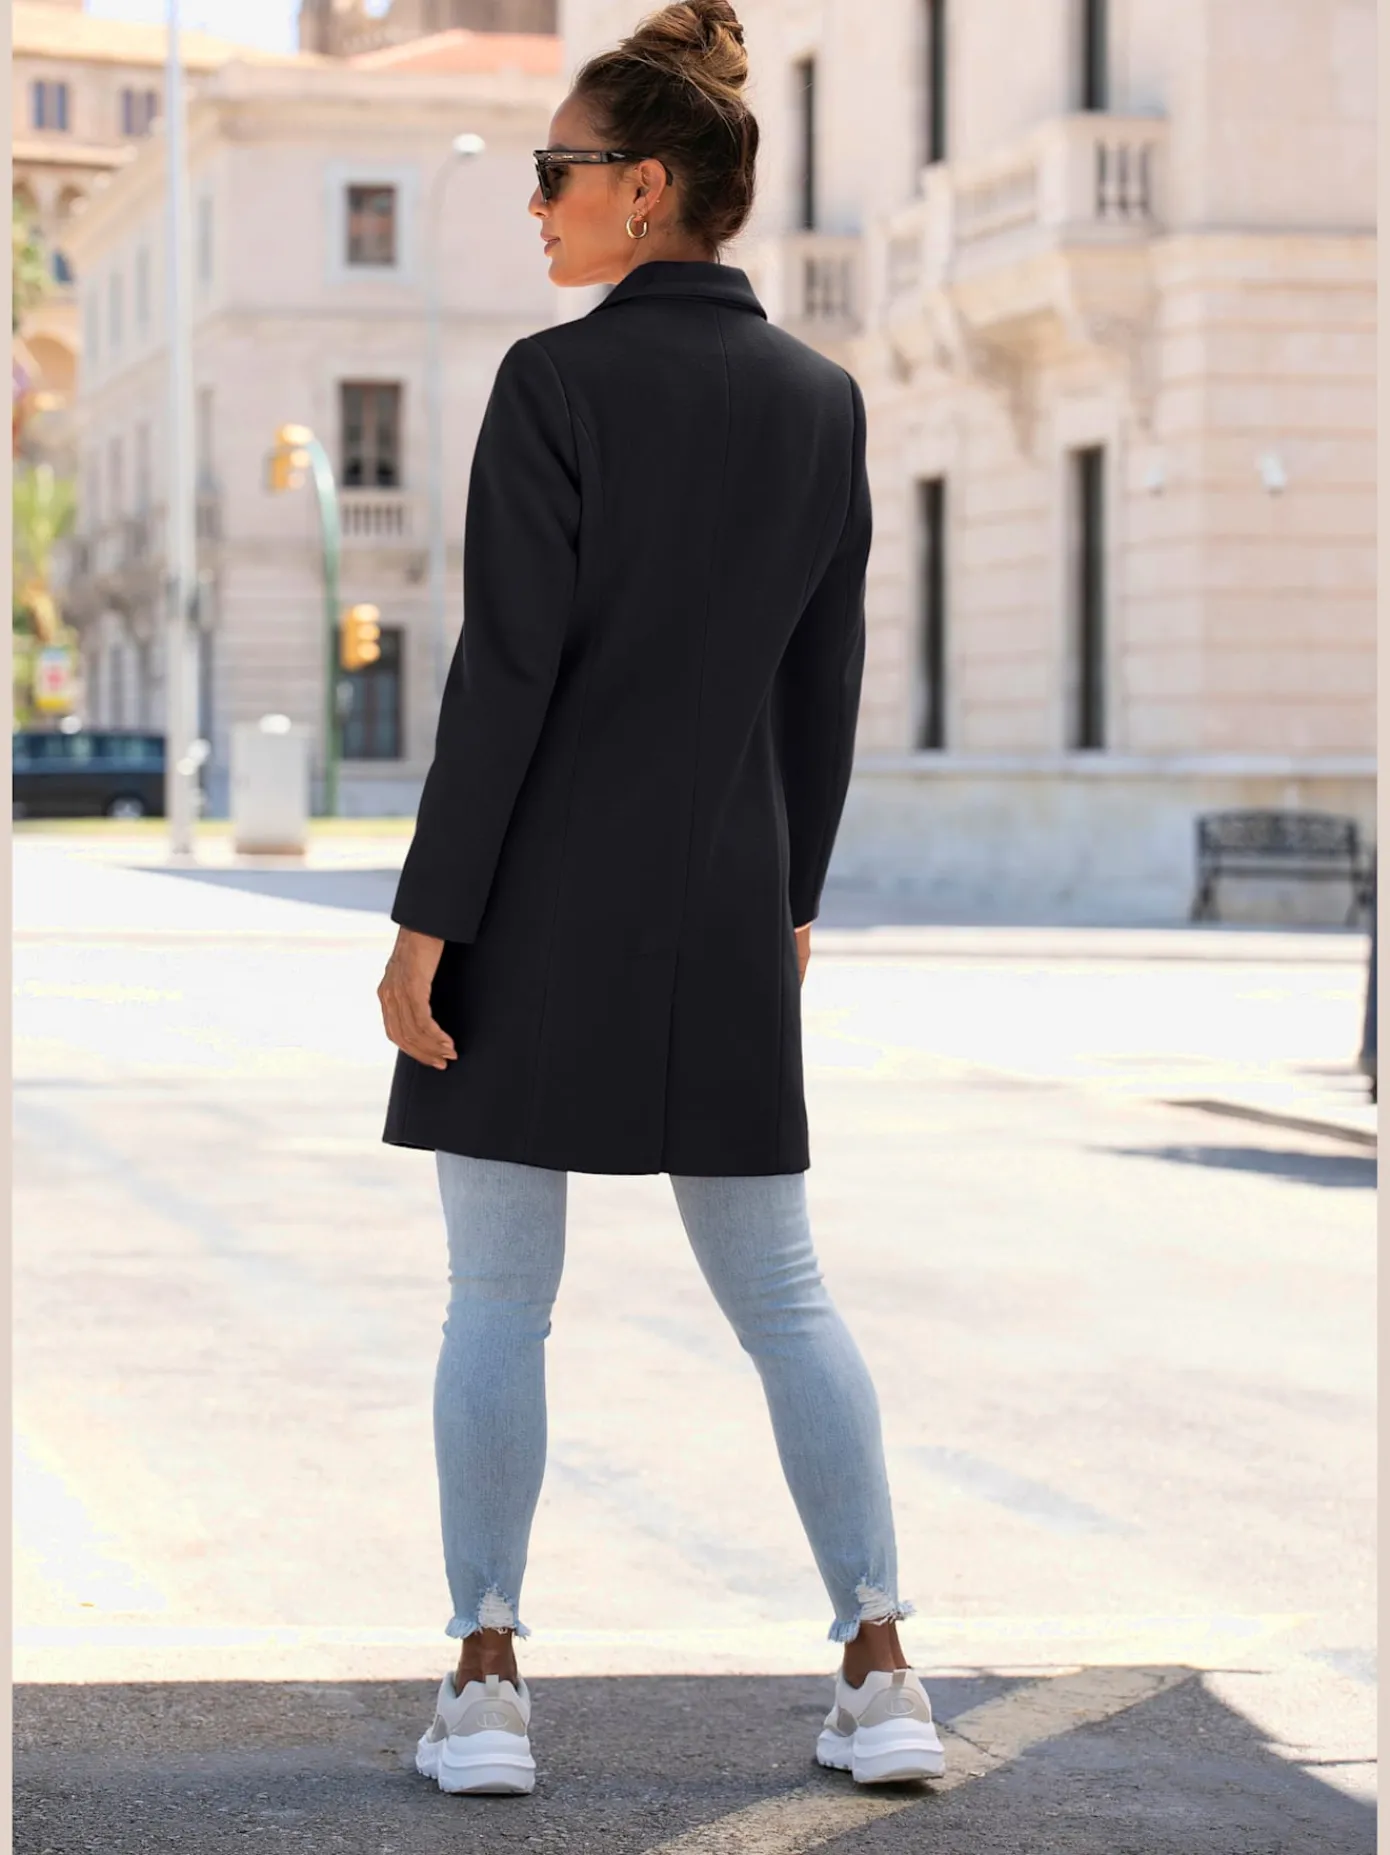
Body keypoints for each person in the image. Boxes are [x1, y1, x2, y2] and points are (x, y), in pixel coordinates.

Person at [376, 0, 944, 1799]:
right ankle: (880, 1667)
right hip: (723, 911)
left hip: (528, 905)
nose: (534, 201)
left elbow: (505, 677)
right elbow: (820, 689)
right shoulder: (823, 402)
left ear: (642, 187)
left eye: (556, 171)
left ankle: (485, 1684)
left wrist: (425, 918)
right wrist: (792, 899)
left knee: (495, 1297)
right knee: (784, 1292)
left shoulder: (550, 387)